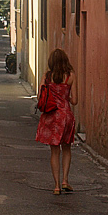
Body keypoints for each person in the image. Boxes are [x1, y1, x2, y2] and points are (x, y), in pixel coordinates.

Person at [35, 48, 78, 195]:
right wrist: (65, 97)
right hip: (65, 115)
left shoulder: (47, 77)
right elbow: (75, 100)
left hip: (51, 116)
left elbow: (40, 96)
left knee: (54, 151)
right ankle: (66, 180)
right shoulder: (71, 76)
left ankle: (57, 186)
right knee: (66, 149)